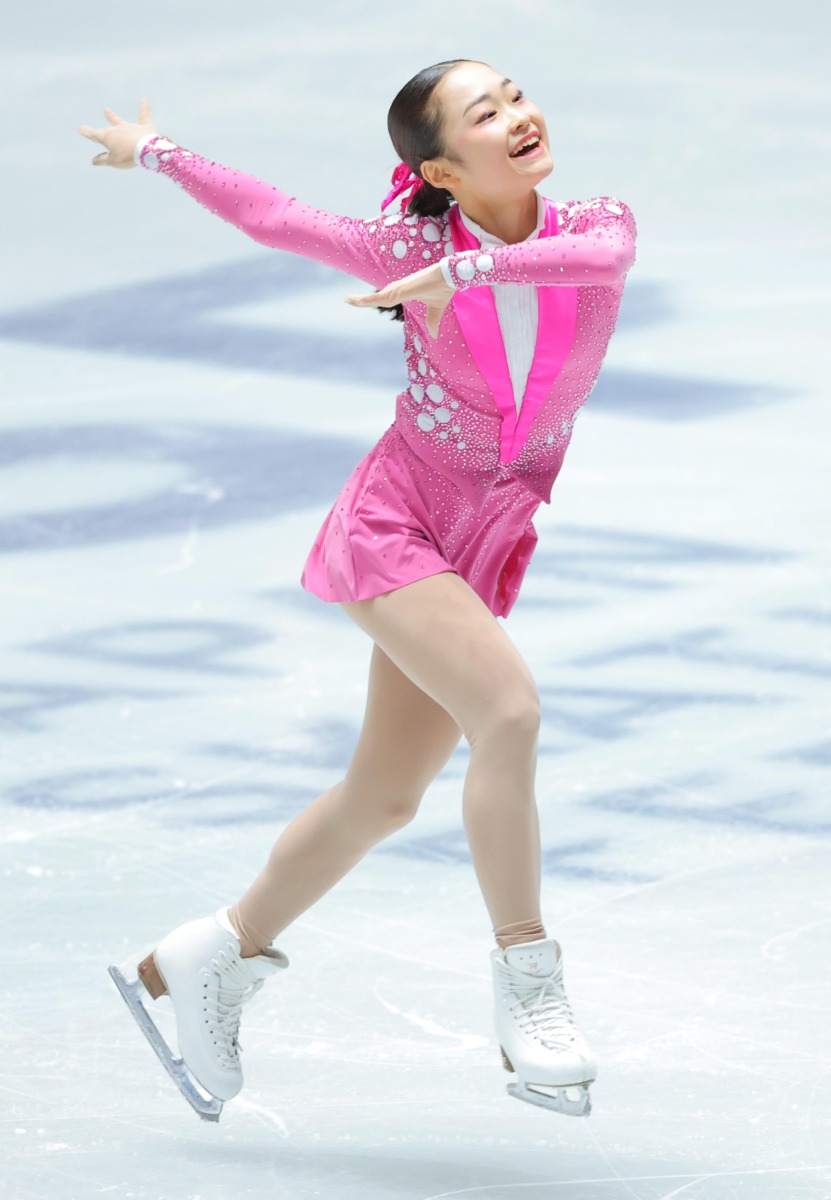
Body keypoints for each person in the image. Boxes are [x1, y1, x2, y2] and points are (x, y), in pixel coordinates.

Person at [78, 58, 637, 1123]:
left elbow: (597, 260)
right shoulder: (405, 250)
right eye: (485, 114)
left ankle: (216, 951)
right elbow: (278, 217)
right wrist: (156, 151)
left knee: (383, 797)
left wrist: (466, 275)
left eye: (515, 95)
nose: (518, 116)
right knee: (510, 714)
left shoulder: (594, 223)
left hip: (482, 540)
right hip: (396, 527)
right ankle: (529, 980)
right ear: (440, 169)